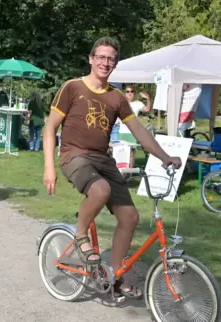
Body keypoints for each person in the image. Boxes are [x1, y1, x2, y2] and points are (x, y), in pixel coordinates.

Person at [43, 37, 182, 299]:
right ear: (91, 59)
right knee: (100, 190)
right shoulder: (72, 87)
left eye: (111, 59)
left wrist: (165, 156)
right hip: (74, 156)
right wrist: (49, 168)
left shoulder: (116, 97)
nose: (105, 63)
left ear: (114, 64)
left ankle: (116, 276)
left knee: (130, 217)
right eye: (101, 57)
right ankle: (81, 234)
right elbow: (49, 128)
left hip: (103, 160)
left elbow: (139, 131)